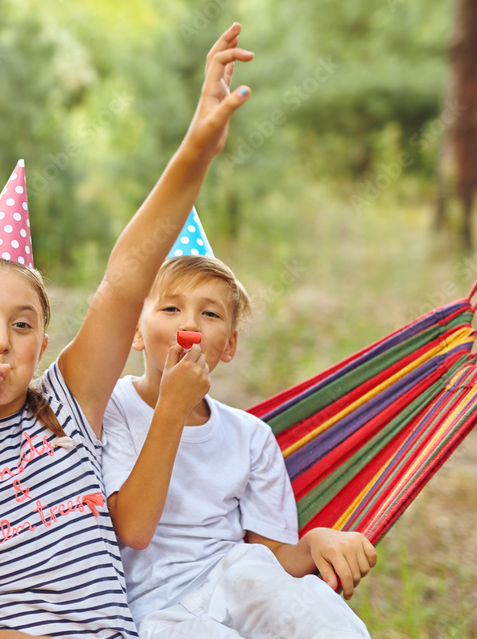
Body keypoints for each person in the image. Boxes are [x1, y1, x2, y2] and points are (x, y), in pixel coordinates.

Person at [0, 24, 254, 638]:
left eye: (22, 326)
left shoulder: (68, 406)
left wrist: (197, 150)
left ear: (41, 346)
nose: (0, 340)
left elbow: (126, 280)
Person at [102, 253, 377, 638]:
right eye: (170, 307)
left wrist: (315, 542)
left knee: (318, 617)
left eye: (210, 314)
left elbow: (275, 562)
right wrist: (171, 409)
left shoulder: (251, 435)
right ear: (136, 331)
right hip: (159, 610)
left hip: (240, 580)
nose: (189, 325)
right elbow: (133, 529)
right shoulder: (110, 407)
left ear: (228, 346)